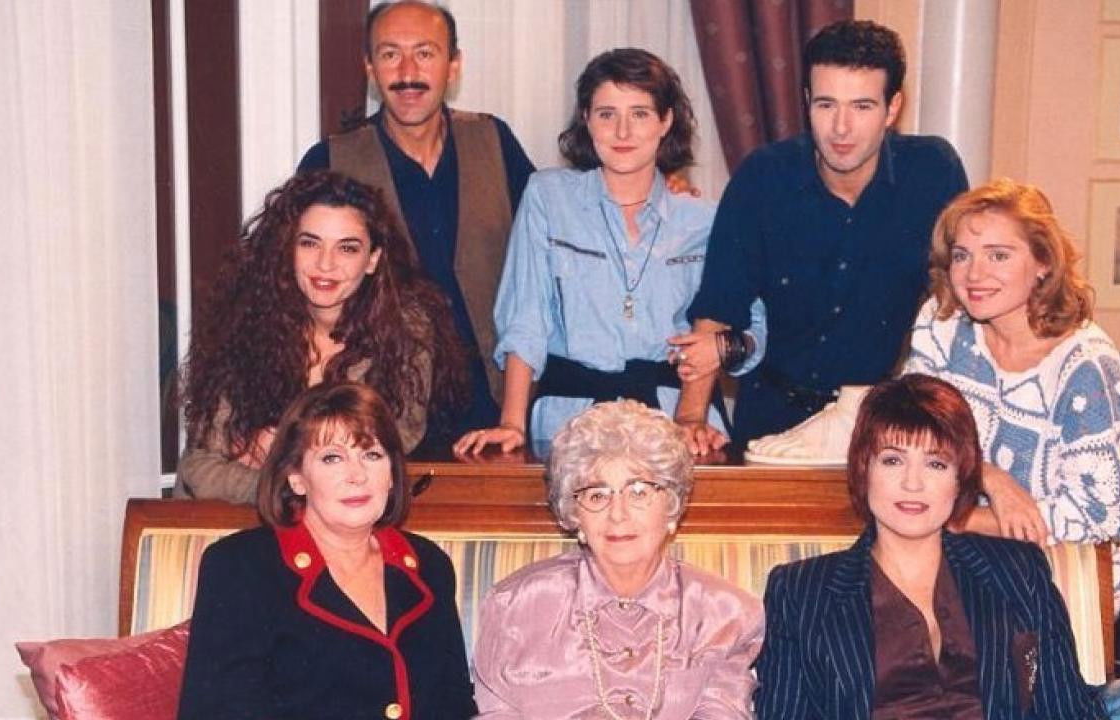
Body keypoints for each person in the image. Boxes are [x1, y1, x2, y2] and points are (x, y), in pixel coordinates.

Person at [674, 19, 968, 454]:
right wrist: (690, 419)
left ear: (892, 108)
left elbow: (959, 299)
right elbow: (718, 307)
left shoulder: (932, 172)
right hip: (772, 421)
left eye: (862, 106)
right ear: (807, 101)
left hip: (883, 426)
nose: (841, 128)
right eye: (826, 104)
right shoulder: (763, 177)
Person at [453, 48, 764, 455]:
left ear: (666, 121)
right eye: (606, 114)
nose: (622, 132)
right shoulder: (548, 197)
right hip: (569, 421)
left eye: (640, 114)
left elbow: (757, 326)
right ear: (586, 119)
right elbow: (525, 319)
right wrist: (512, 423)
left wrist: (722, 351)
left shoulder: (705, 219)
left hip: (679, 426)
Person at [755, 374, 1108, 719]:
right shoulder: (800, 592)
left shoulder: (1018, 570)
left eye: (936, 463)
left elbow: (1068, 709)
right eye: (892, 460)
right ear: (864, 470)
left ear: (960, 479)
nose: (913, 483)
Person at [903, 178, 1120, 612]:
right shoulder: (943, 323)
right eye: (962, 255)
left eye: (998, 255)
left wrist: (962, 519)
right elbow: (917, 427)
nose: (974, 275)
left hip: (1077, 559)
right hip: (973, 541)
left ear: (1043, 263)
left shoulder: (1085, 367)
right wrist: (990, 478)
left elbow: (1098, 518)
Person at [298, 1, 535, 431]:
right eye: (390, 54)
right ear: (370, 68)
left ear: (454, 65)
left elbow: (551, 240)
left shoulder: (494, 141)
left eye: (425, 53)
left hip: (496, 405)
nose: (408, 72)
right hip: (383, 408)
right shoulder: (331, 159)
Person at [177, 382, 477, 719]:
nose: (357, 475)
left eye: (372, 455)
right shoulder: (241, 567)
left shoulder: (429, 565)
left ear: (392, 474)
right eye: (332, 458)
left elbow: (454, 705)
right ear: (296, 478)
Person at [174, 171, 465, 503]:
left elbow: (386, 448)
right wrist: (284, 487)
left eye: (347, 248)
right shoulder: (246, 323)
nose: (325, 264)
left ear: (372, 259)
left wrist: (281, 451)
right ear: (287, 249)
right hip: (237, 518)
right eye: (310, 243)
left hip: (339, 518)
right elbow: (198, 467)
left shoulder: (406, 333)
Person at [472, 399, 764, 717]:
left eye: (639, 492)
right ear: (574, 514)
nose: (618, 514)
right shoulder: (514, 606)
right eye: (597, 495)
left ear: (672, 505)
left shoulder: (725, 615)